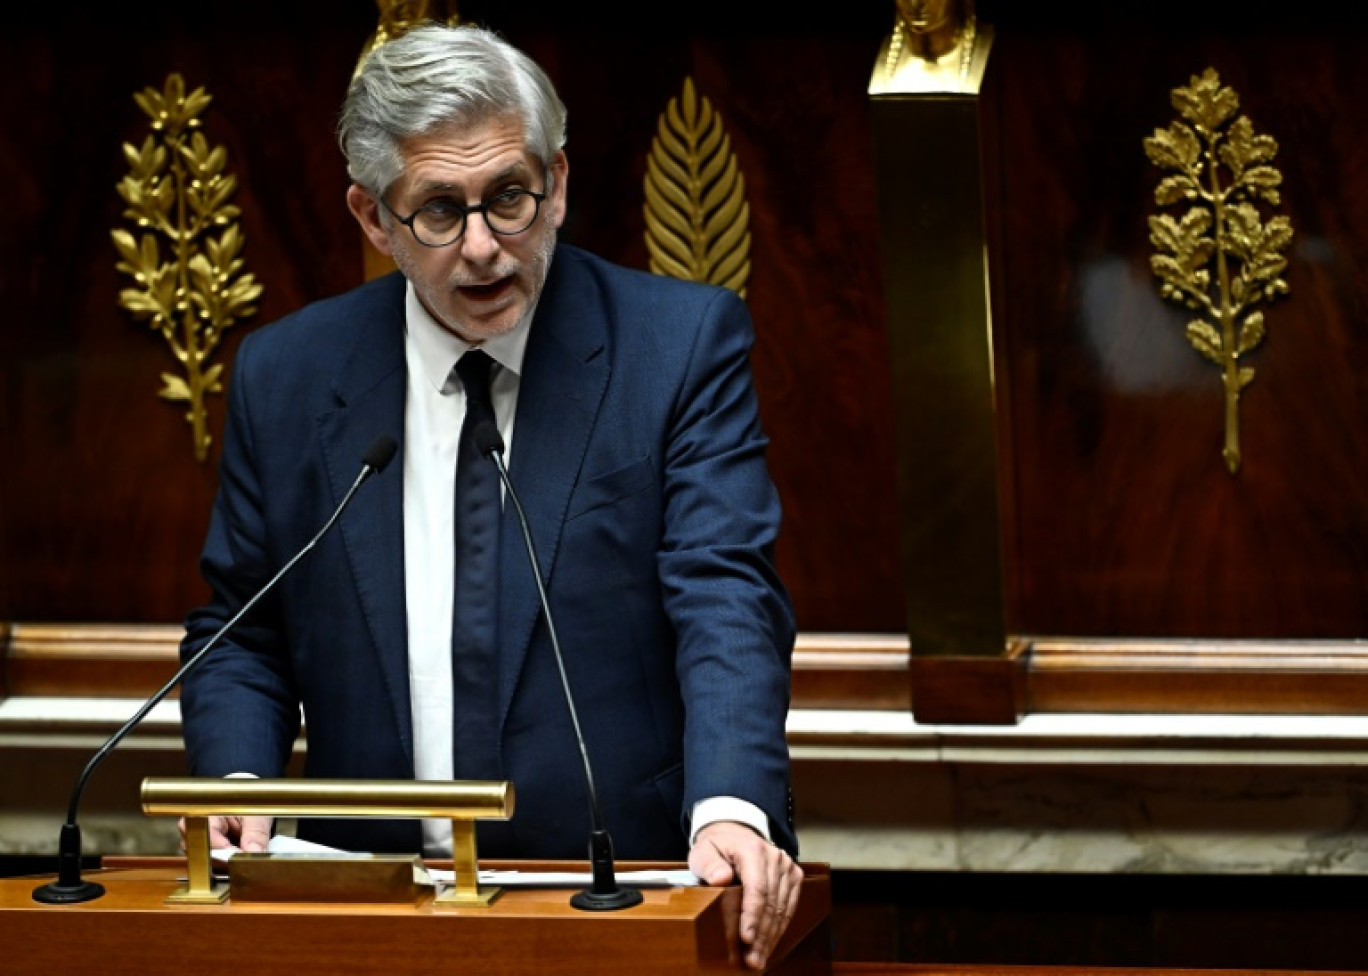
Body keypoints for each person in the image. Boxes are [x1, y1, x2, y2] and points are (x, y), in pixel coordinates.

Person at [177, 20, 801, 970]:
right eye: (437, 211)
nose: (483, 248)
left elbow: (725, 592)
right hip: (368, 918)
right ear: (372, 219)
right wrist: (234, 785)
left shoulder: (677, 349)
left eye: (509, 197)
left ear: (557, 184)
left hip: (622, 899)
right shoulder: (288, 375)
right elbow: (242, 631)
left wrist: (730, 804)